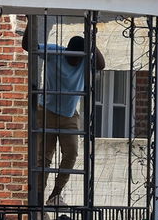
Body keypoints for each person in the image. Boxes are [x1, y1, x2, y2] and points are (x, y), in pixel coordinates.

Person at [23, 28, 105, 205]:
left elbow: (101, 65)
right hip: (46, 111)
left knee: (72, 153)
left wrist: (91, 40)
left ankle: (55, 194)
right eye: (72, 57)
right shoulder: (55, 52)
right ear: (66, 51)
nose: (75, 61)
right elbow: (29, 47)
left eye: (78, 58)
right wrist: (31, 24)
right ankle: (37, 198)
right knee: (43, 157)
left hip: (69, 115)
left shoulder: (84, 59)